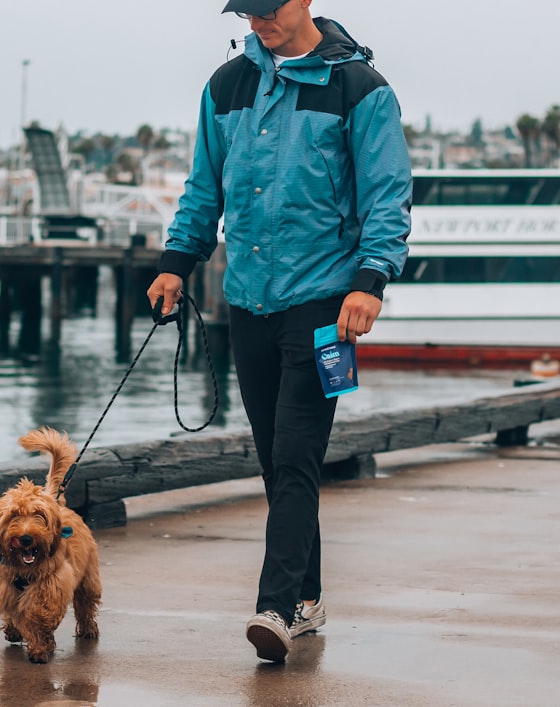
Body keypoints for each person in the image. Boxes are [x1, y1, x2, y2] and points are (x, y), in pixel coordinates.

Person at [146, 0, 412, 662]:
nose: (259, 19)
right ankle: (309, 595)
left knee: (297, 453)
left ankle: (275, 607)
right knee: (278, 459)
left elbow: (388, 196)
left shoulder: (360, 89)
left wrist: (370, 280)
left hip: (326, 307)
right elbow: (204, 188)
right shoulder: (226, 85)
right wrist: (177, 262)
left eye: (269, 7)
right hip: (248, 304)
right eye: (249, 9)